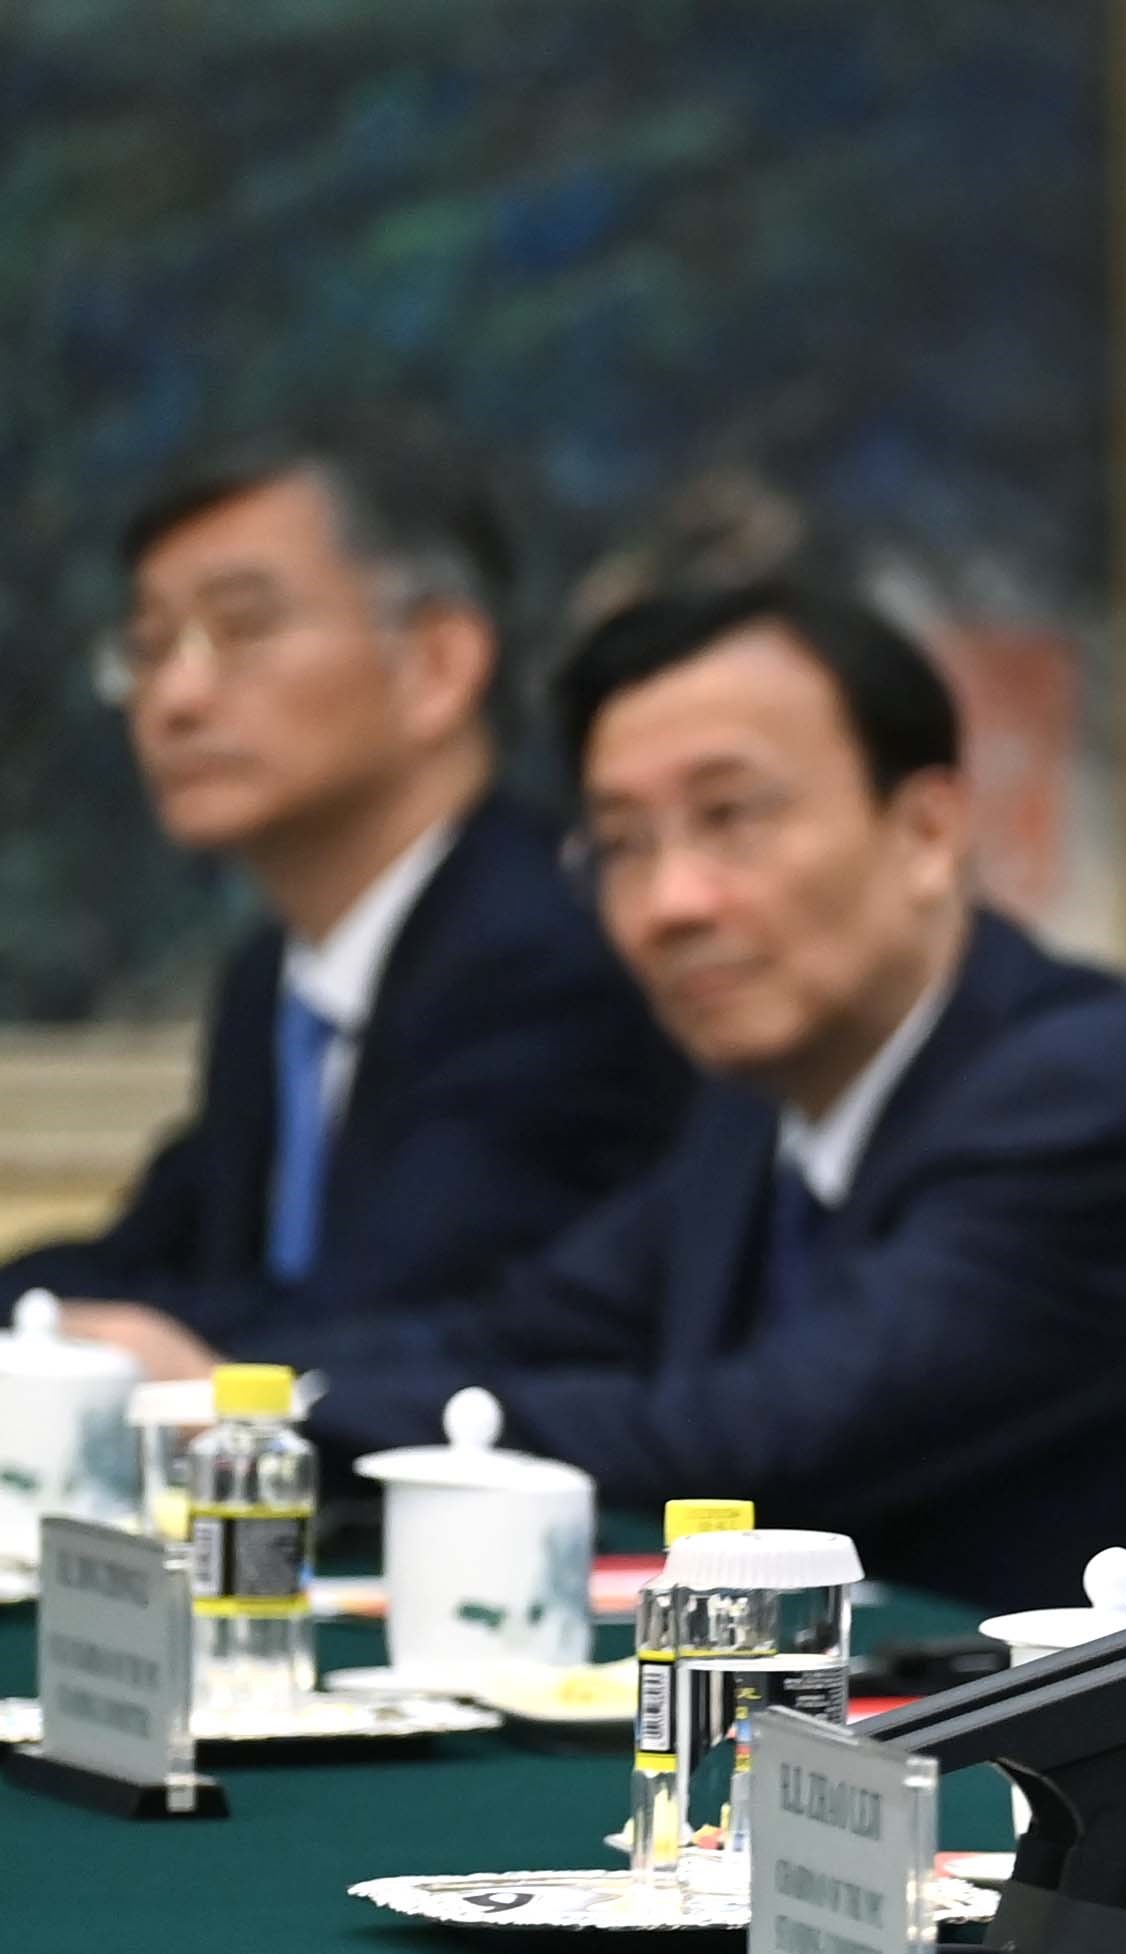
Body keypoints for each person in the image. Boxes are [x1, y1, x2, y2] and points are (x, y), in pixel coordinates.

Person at [191, 575, 1126, 1611]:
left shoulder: (1075, 1092)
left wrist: (288, 1412)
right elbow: (529, 1329)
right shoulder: (756, 1102)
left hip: (1125, 1790)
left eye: (731, 818)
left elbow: (750, 1440)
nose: (671, 901)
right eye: (622, 845)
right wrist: (241, 1382)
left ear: (926, 831)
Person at [19, 423, 688, 1351]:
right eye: (148, 645)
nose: (175, 698)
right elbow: (153, 1256)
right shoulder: (275, 980)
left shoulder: (551, 948)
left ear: (438, 665)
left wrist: (98, 1342)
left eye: (242, 630)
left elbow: (388, 1315)